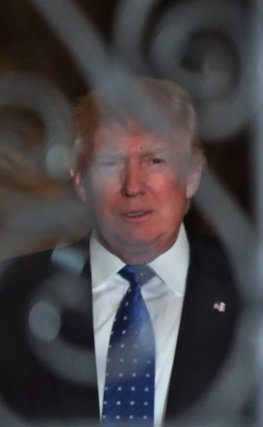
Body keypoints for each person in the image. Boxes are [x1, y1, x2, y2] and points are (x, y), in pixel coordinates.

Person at [0, 77, 239, 425]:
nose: (133, 186)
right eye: (110, 162)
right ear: (80, 179)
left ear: (192, 174)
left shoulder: (254, 294)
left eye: (155, 160)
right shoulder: (11, 296)